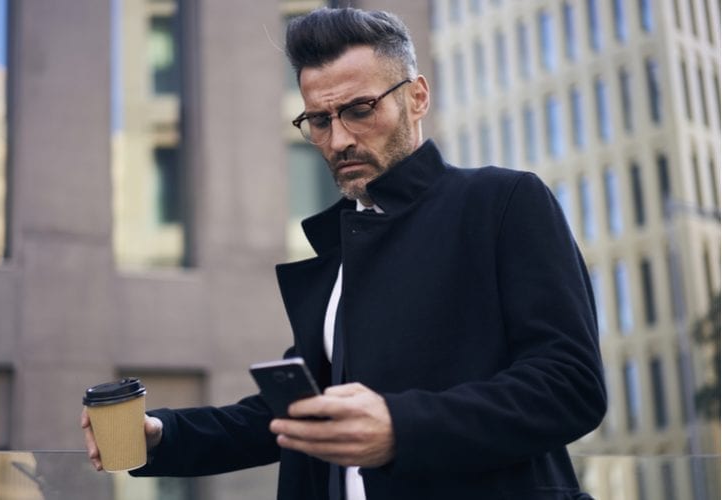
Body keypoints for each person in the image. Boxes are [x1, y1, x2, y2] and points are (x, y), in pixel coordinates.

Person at [82, 7, 606, 499]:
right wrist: (161, 435)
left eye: (359, 110)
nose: (338, 140)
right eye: (318, 120)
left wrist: (401, 428)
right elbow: (289, 417)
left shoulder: (504, 201)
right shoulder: (343, 243)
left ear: (417, 97)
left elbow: (570, 384)